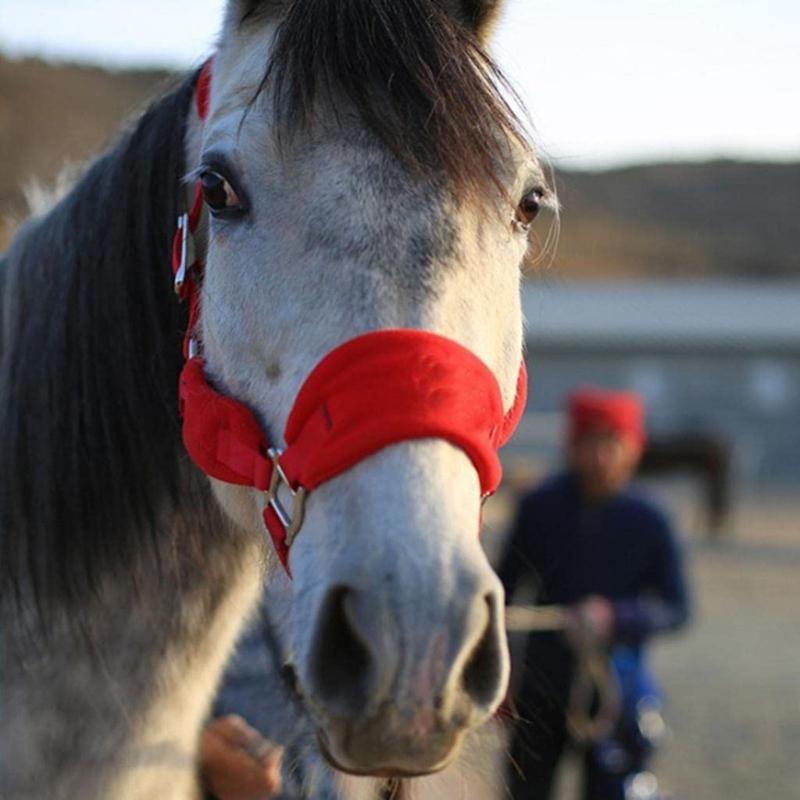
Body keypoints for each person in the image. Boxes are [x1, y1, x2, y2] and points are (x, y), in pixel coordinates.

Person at [498, 387, 690, 800]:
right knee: (524, 790)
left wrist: (615, 618)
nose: (601, 456)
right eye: (591, 442)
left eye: (613, 443)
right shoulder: (539, 508)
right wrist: (501, 671)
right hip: (541, 685)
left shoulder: (651, 519)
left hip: (619, 689)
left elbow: (676, 608)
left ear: (634, 449)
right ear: (572, 444)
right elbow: (504, 593)